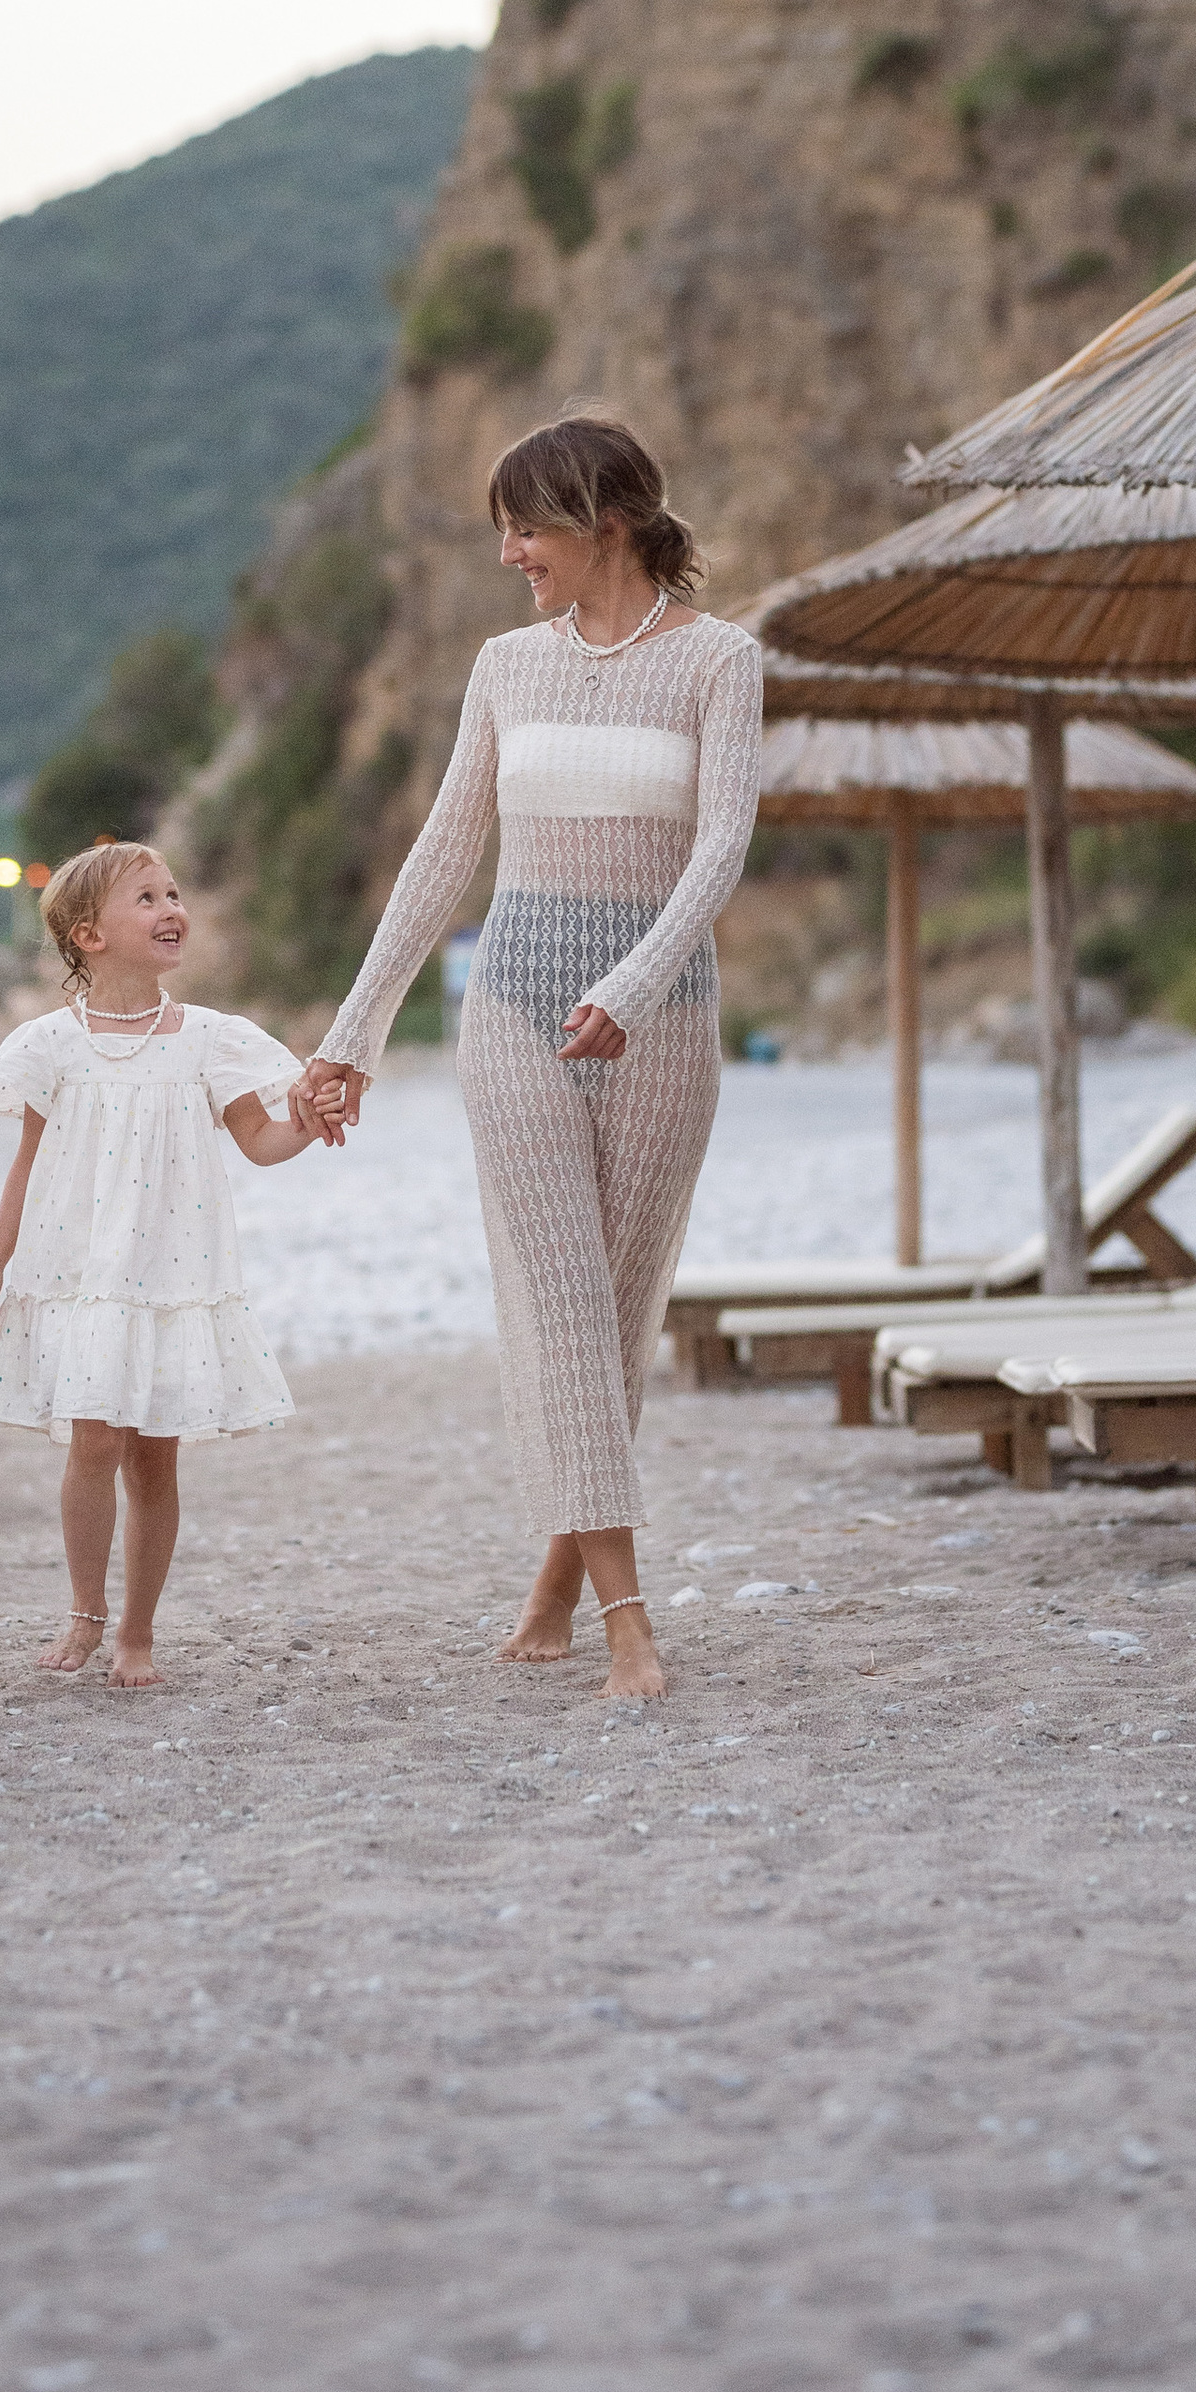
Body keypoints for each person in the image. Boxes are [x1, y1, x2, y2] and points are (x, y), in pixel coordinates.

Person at [296, 413, 762, 1704]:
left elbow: (722, 846)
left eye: (527, 525)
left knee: (611, 1318)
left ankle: (559, 1574)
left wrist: (632, 984)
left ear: (607, 517)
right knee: (561, 1297)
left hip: (660, 1019)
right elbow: (445, 856)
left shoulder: (722, 661)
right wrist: (353, 1036)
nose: (509, 553)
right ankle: (629, 1623)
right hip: (512, 1011)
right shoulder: (505, 666)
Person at [0, 841, 340, 1689]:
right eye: (147, 898)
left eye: (174, 893)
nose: (172, 908)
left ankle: (139, 1631)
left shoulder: (210, 1040)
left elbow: (261, 1142)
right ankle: (85, 1613)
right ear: (89, 935)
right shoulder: (48, 1045)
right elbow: (27, 1160)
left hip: (168, 1273)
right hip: (81, 1271)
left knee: (154, 1456)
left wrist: (309, 1121)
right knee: (93, 1438)